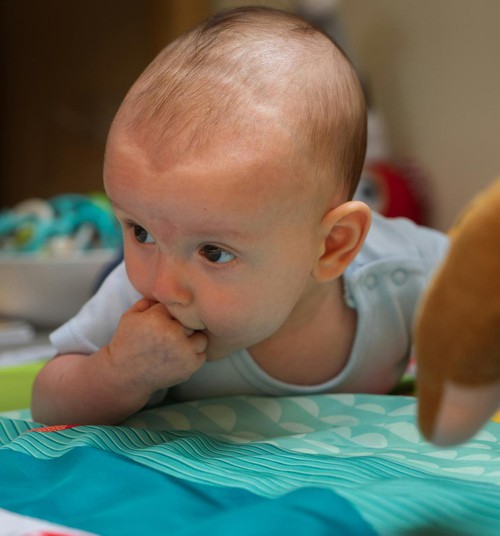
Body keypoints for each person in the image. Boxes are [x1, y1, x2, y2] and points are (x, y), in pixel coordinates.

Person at [31, 6, 448, 425]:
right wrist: (117, 372)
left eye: (213, 252)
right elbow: (47, 403)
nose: (164, 287)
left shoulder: (401, 274)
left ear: (332, 246)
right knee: (117, 271)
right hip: (115, 290)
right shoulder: (135, 301)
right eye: (138, 229)